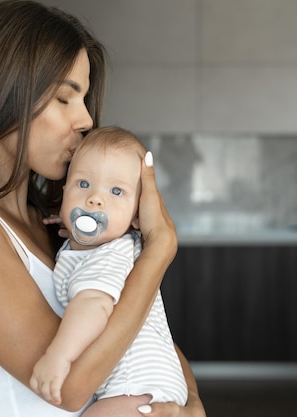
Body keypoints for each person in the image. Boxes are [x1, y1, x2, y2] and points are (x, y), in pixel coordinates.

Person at [0, 1, 206, 417]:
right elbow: (69, 388)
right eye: (64, 98)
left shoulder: (54, 223)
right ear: (4, 89)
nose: (86, 120)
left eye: (85, 99)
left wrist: (192, 405)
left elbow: (146, 332)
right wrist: (159, 251)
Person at [30, 127, 188, 416]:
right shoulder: (97, 248)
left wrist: (58, 356)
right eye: (83, 183)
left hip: (136, 385)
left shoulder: (109, 254)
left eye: (117, 191)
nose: (95, 200)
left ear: (137, 216)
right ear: (64, 193)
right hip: (150, 385)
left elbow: (94, 305)